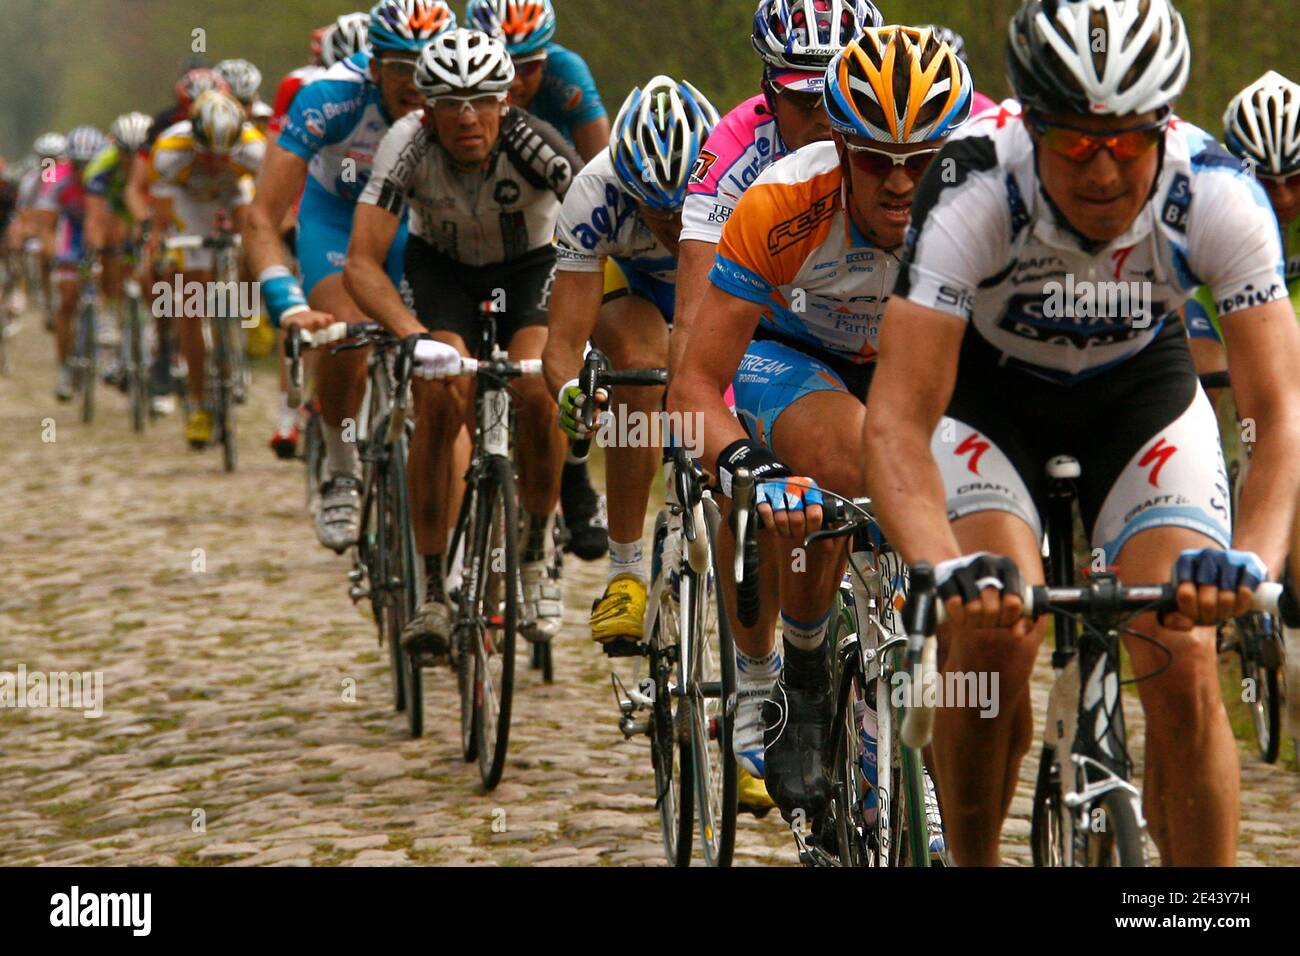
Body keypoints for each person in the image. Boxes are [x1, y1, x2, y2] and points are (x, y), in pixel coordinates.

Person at [863, 0, 1300, 866]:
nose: (1104, 171)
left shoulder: (1217, 193)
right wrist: (940, 568)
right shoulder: (974, 187)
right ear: (1031, 124)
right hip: (993, 403)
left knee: (1182, 646)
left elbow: (1279, 413)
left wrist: (1250, 563)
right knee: (990, 634)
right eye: (1075, 144)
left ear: (1164, 126)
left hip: (1140, 399)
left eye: (1130, 142)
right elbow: (897, 421)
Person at [671, 27, 972, 833]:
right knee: (849, 459)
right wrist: (748, 466)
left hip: (917, 355)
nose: (903, 182)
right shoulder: (780, 200)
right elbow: (695, 382)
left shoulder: (992, 202)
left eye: (924, 157)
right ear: (837, 144)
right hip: (794, 353)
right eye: (876, 158)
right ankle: (800, 677)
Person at [673, 0, 883, 815]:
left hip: (898, 344)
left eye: (844, 97)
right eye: (806, 99)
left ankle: (889, 695)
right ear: (767, 90)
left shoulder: (915, 138)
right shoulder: (736, 159)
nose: (829, 121)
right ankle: (776, 678)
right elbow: (693, 331)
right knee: (813, 474)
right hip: (780, 341)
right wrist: (729, 454)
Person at [347, 27, 580, 655]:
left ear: (507, 102)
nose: (468, 117)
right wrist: (412, 335)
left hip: (528, 269)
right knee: (439, 395)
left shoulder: (537, 146)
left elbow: (598, 227)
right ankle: (429, 594)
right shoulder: (408, 144)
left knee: (538, 390)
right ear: (427, 109)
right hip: (443, 273)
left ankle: (532, 552)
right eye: (450, 103)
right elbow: (362, 263)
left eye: (482, 101)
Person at [243, 0, 457, 550]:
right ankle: (341, 468)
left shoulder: (459, 99)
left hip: (416, 223)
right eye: (401, 68)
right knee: (345, 333)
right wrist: (286, 302)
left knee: (449, 358)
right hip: (335, 219)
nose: (415, 83)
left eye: (425, 67)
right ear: (374, 64)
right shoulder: (330, 96)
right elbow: (262, 216)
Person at [543, 76, 718, 653]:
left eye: (683, 208)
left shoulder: (744, 177)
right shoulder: (593, 193)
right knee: (640, 368)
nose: (671, 225)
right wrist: (571, 389)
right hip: (632, 289)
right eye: (654, 208)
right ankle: (624, 572)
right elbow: (562, 342)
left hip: (719, 283)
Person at [466, 0, 614, 563]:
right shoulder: (460, 81)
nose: (519, 79)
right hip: (462, 231)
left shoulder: (567, 74)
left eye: (531, 64)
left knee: (566, 353)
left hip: (547, 222)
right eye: (507, 65)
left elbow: (602, 175)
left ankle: (574, 480)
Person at [149, 91, 266, 447]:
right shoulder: (169, 150)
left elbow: (264, 206)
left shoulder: (254, 149)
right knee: (189, 301)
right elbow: (163, 215)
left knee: (254, 236)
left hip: (234, 193)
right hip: (191, 204)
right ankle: (199, 404)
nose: (215, 162)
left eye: (222, 156)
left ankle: (253, 313)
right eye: (207, 155)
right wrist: (163, 247)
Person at [34, 126, 108, 401]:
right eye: (78, 164)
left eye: (89, 165)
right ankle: (65, 367)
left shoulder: (107, 176)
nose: (82, 171)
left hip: (99, 226)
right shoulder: (56, 175)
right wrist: (54, 257)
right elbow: (46, 225)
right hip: (70, 231)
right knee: (66, 298)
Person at [83, 112, 156, 395]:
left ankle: (154, 325)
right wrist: (98, 249)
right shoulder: (101, 165)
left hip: (144, 210)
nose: (129, 160)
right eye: (124, 153)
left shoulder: (155, 160)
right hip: (115, 211)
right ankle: (110, 308)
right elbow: (93, 217)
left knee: (149, 265)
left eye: (136, 153)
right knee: (110, 238)